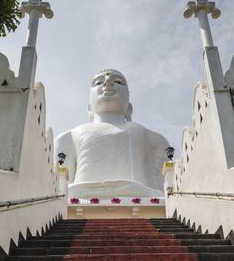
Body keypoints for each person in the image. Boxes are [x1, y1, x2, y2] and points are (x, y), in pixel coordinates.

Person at [54, 69, 169, 198]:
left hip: (138, 197)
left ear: (129, 108)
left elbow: (164, 189)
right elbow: (59, 188)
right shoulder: (69, 136)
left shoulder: (152, 138)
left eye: (118, 81)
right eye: (98, 82)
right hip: (81, 197)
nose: (107, 83)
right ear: (89, 109)